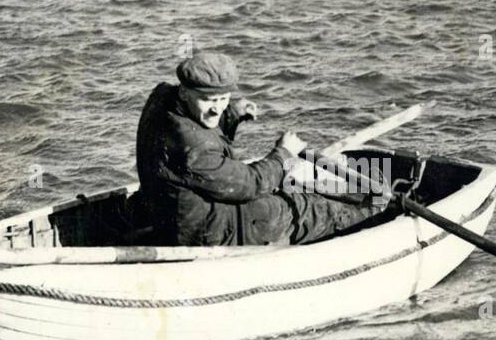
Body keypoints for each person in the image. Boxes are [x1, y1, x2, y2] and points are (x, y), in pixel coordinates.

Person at [135, 53, 380, 247]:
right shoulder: (194, 150)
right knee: (303, 208)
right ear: (185, 92)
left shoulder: (162, 98)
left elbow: (193, 127)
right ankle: (374, 213)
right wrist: (284, 154)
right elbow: (249, 185)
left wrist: (231, 113)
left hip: (178, 215)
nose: (216, 109)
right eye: (209, 100)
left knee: (287, 191)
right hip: (208, 231)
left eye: (223, 99)